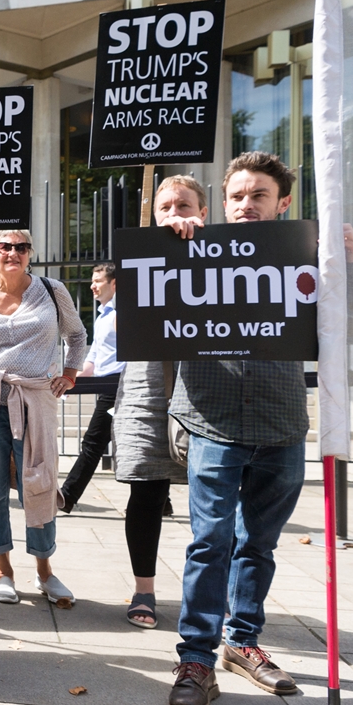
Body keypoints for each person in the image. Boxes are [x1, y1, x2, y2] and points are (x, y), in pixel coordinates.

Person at [164, 152, 353, 705]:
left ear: (282, 202)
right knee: (211, 543)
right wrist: (168, 238)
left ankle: (243, 642)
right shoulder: (191, 248)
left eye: (258, 195)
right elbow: (149, 304)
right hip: (213, 421)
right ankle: (197, 660)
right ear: (223, 202)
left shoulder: (307, 257)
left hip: (281, 423)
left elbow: (347, 328)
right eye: (237, 196)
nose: (246, 205)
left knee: (258, 544)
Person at [0, 230, 87, 606]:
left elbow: (76, 335)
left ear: (30, 253)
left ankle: (45, 571)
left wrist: (70, 373)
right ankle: (3, 570)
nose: (13, 252)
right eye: (4, 247)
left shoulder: (52, 289)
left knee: (38, 484)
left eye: (21, 247)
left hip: (33, 400)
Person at [113, 177, 206, 632]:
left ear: (203, 211)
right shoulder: (141, 254)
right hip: (150, 388)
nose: (173, 213)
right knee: (145, 491)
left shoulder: (223, 253)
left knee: (213, 498)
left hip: (206, 386)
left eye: (183, 204)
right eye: (165, 206)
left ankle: (207, 594)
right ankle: (144, 588)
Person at [59, 262, 123, 513]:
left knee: (92, 444)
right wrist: (68, 378)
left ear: (115, 283)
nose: (92, 286)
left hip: (120, 386)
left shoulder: (124, 312)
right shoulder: (103, 314)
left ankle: (66, 496)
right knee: (127, 445)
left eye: (98, 281)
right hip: (106, 385)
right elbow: (94, 358)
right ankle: (163, 504)